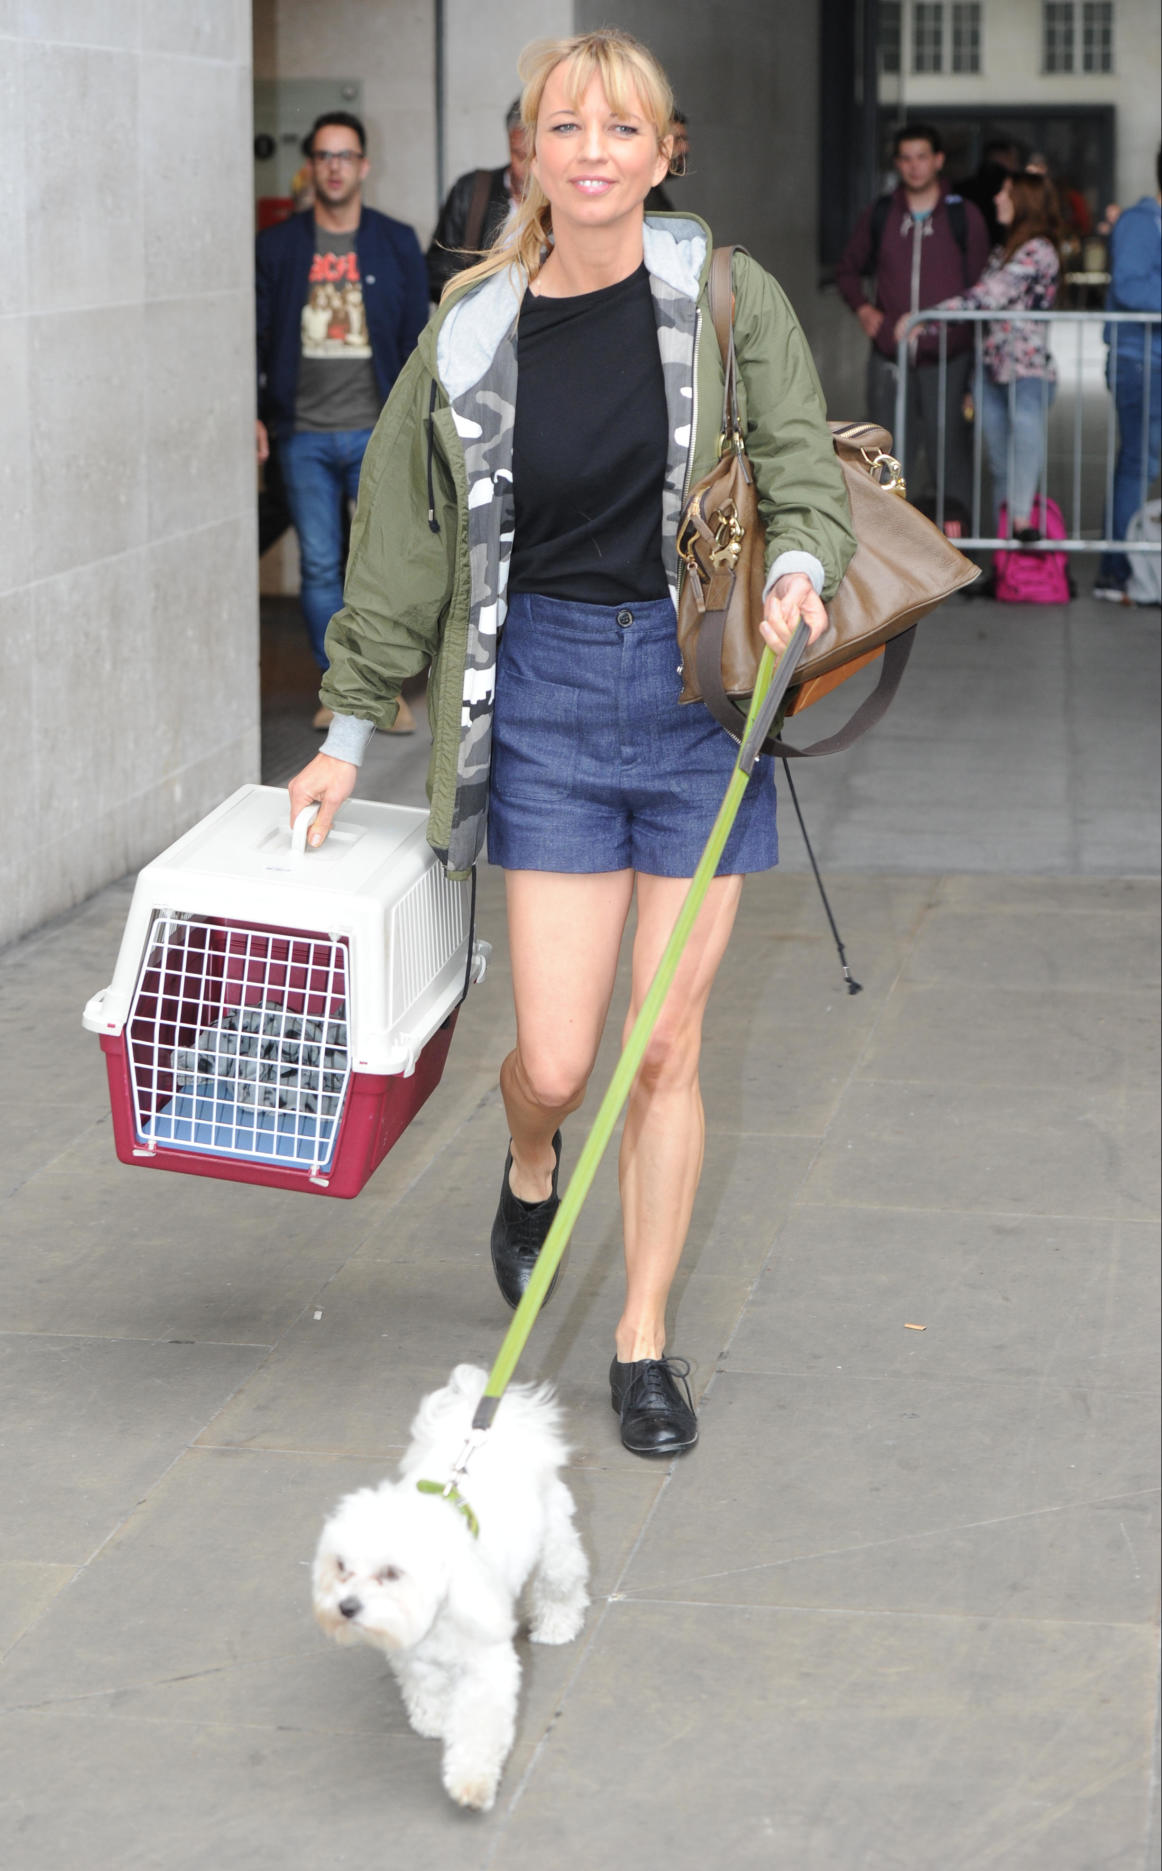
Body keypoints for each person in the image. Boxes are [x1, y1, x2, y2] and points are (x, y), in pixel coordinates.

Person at [287, 30, 854, 1459]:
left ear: (664, 153)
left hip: (691, 704)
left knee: (663, 1044)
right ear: (527, 154)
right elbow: (403, 548)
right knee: (552, 1054)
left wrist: (799, 565)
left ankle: (641, 1338)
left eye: (622, 129)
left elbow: (797, 461)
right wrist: (348, 733)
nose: (592, 151)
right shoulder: (468, 331)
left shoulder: (725, 296)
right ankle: (530, 1154)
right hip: (533, 696)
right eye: (564, 127)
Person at [255, 111, 429, 729]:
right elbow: (256, 333)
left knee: (383, 566)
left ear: (363, 166)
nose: (334, 166)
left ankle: (381, 690)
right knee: (321, 566)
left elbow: (418, 341)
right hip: (302, 433)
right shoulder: (277, 247)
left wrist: (420, 422)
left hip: (377, 432)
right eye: (324, 156)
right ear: (312, 166)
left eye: (345, 155)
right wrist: (254, 414)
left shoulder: (394, 241)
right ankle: (339, 693)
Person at [836, 122, 990, 523]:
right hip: (891, 357)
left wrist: (974, 365)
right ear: (897, 164)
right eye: (906, 158)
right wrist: (865, 310)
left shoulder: (964, 216)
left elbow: (981, 291)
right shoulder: (882, 212)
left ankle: (957, 553)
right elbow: (848, 270)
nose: (914, 166)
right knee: (886, 452)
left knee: (950, 453)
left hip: (949, 357)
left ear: (938, 161)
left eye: (922, 156)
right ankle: (891, 553)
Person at [900, 171, 1062, 541]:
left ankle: (1020, 522)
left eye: (1005, 192)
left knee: (1023, 450)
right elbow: (983, 305)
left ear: (1024, 201)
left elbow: (988, 296)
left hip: (1026, 372)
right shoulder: (1003, 251)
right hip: (990, 371)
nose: (997, 200)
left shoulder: (1039, 250)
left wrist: (928, 320)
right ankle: (1008, 561)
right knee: (1000, 465)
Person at [1094, 149, 1162, 604]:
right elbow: (1130, 284)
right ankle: (1118, 570)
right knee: (1139, 465)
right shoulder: (1141, 223)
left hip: (1150, 358)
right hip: (1141, 361)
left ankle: (1120, 566)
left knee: (1139, 463)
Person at [426, 99, 530, 301]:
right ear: (509, 141)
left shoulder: (568, 201)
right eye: (520, 156)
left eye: (538, 157)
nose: (530, 170)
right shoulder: (473, 191)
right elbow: (436, 274)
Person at [644, 106, 688, 212]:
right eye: (677, 140)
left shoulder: (651, 191)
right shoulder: (640, 194)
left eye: (685, 140)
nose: (685, 148)